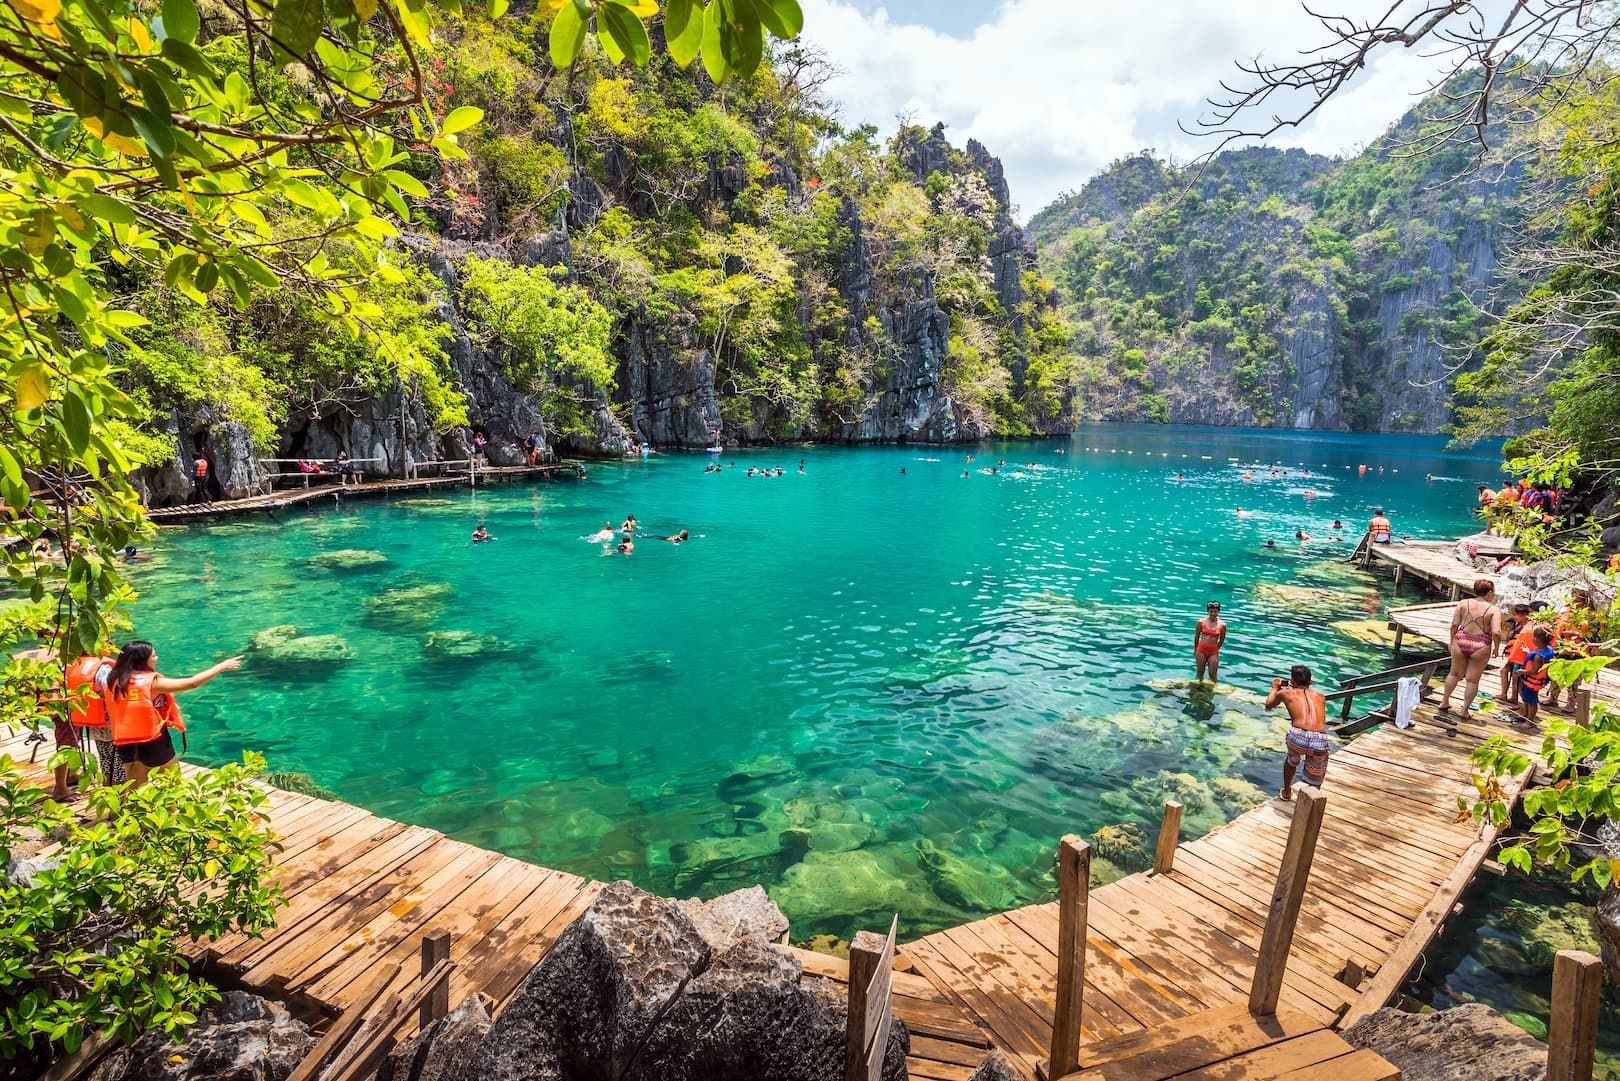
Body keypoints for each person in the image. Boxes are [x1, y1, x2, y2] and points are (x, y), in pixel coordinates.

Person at [102, 641, 241, 788]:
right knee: (173, 786)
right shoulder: (153, 683)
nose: (157, 658)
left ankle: (132, 811)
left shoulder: (113, 680)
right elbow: (192, 683)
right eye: (154, 655)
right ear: (142, 660)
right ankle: (173, 811)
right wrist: (222, 666)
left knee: (136, 792)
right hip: (152, 742)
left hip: (125, 743)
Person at [1437, 578, 1502, 725]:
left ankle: (1444, 702)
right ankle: (1465, 710)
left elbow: (1454, 624)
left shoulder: (1463, 603)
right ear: (1489, 592)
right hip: (1481, 643)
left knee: (1454, 673)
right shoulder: (1493, 610)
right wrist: (1497, 648)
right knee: (1472, 680)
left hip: (1461, 640)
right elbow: (1497, 632)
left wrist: (1451, 640)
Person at [1267, 665, 1331, 799]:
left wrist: (1275, 688)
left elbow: (1268, 705)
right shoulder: (1321, 697)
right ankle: (1312, 797)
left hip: (1298, 736)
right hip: (1319, 739)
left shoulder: (1285, 693)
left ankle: (1287, 791)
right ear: (1311, 681)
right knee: (1315, 776)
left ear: (1292, 681)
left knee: (1291, 759)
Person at [1514, 627, 1557, 726]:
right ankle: (1525, 715)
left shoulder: (1538, 656)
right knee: (1526, 699)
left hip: (1532, 682)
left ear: (1536, 640)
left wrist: (1521, 671)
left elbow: (1534, 671)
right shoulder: (1549, 650)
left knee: (1531, 701)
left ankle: (1530, 722)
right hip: (1534, 681)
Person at [1499, 604, 1535, 705]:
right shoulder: (1518, 625)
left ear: (1524, 615)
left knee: (1516, 678)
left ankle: (1515, 698)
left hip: (1520, 657)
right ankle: (1505, 694)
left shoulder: (1528, 627)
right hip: (1514, 655)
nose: (1514, 617)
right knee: (1506, 672)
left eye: (1515, 615)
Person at [1193, 603, 1227, 683]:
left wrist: (1216, 649)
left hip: (1213, 652)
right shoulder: (1201, 622)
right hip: (1201, 650)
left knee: (1213, 675)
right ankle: (1197, 689)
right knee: (1200, 673)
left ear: (1218, 611)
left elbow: (1222, 639)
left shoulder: (1222, 625)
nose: (1213, 614)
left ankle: (1213, 692)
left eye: (1215, 612)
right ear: (1208, 611)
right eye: (1211, 611)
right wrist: (1195, 650)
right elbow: (1196, 637)